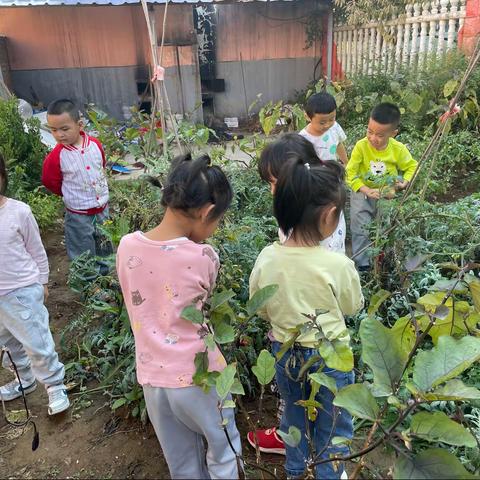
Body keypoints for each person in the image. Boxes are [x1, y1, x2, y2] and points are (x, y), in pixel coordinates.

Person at [116, 154, 242, 479]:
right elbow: (201, 301)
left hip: (153, 379)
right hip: (200, 377)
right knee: (224, 450)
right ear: (207, 212)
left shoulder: (127, 246)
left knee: (182, 462)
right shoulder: (203, 256)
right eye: (218, 221)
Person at [249, 157, 364, 479]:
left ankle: (295, 471)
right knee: (333, 425)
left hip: (284, 353)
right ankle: (330, 472)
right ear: (330, 214)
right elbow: (352, 307)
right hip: (330, 357)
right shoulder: (337, 265)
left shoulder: (267, 257)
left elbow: (259, 305)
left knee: (294, 417)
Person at [0, 153, 69, 415]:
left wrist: (42, 281)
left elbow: (37, 250)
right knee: (7, 345)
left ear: (2, 177)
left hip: (21, 292)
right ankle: (24, 381)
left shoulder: (18, 212)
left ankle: (54, 386)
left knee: (36, 342)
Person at [42, 99, 112, 274]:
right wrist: (69, 193)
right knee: (82, 251)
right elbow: (50, 181)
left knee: (105, 245)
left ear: (79, 125)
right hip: (78, 214)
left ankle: (106, 279)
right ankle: (89, 286)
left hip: (102, 209)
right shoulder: (56, 156)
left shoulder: (95, 145)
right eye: (53, 130)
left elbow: (101, 166)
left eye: (64, 129)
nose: (59, 135)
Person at [346, 103, 418, 270]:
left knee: (385, 227)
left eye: (379, 135)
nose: (372, 138)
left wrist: (405, 181)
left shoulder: (398, 149)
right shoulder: (361, 146)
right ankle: (362, 265)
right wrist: (364, 189)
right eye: (369, 131)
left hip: (387, 194)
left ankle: (381, 261)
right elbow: (350, 172)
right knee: (360, 227)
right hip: (362, 193)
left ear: (393, 134)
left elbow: (412, 166)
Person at [299, 92, 348, 166]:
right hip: (316, 174)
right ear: (308, 117)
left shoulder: (334, 127)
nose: (327, 125)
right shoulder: (303, 138)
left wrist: (346, 162)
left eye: (331, 119)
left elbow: (338, 144)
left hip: (332, 170)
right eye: (322, 123)